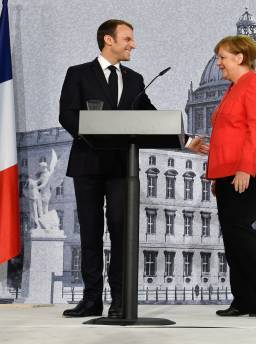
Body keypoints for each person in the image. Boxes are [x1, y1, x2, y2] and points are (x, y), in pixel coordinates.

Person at [59, 19, 155, 318]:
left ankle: (120, 300)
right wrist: (94, 135)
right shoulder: (78, 74)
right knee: (90, 233)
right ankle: (91, 300)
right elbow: (67, 114)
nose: (133, 44)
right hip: (88, 162)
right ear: (108, 40)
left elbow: (149, 115)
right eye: (127, 39)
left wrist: (182, 136)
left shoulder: (136, 79)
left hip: (121, 167)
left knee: (121, 233)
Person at [188, 35, 256, 316]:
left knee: (239, 229)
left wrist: (244, 167)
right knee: (231, 237)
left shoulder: (255, 83)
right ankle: (244, 300)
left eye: (222, 57)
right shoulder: (233, 89)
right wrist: (215, 171)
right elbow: (228, 133)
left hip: (250, 169)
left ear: (240, 58)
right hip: (226, 172)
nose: (217, 62)